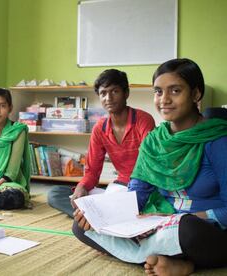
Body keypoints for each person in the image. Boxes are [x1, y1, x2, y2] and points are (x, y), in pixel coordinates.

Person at [73, 58, 227, 275]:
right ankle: (165, 257)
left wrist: (181, 219)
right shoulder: (154, 140)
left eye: (175, 91)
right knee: (82, 226)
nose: (164, 100)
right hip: (160, 223)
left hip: (200, 229)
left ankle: (183, 263)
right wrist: (100, 213)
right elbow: (138, 194)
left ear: (195, 94)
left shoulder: (218, 139)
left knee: (188, 230)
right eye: (158, 91)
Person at [48, 69, 155, 217]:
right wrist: (82, 187)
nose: (108, 98)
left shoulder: (143, 120)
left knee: (129, 202)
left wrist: (130, 192)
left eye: (114, 91)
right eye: (103, 93)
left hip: (142, 189)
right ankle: (103, 215)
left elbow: (148, 165)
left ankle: (95, 215)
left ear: (126, 93)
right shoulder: (100, 128)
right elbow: (92, 171)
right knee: (55, 193)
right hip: (117, 189)